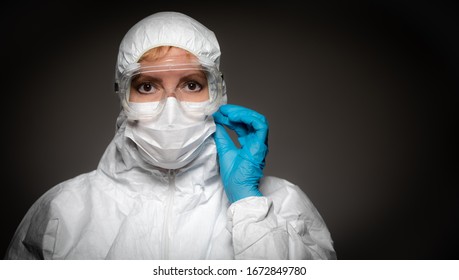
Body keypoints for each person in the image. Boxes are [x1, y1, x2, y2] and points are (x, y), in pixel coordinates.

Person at [5, 11, 336, 260]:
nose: (171, 107)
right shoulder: (64, 210)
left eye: (192, 85)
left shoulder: (283, 203)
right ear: (123, 95)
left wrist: (249, 206)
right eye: (147, 86)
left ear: (218, 92)